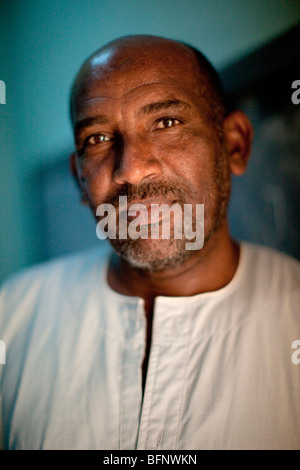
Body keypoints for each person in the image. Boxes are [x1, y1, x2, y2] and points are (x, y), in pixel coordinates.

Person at [0, 35, 299, 450]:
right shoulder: (13, 317)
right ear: (80, 180)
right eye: (98, 139)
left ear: (233, 145)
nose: (131, 169)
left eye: (166, 123)